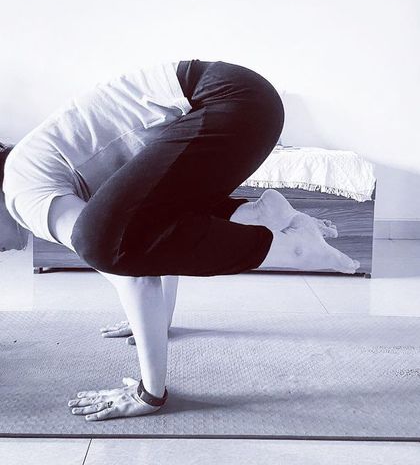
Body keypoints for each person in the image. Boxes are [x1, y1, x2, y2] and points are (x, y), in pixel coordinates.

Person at [1, 60, 359, 421]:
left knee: (99, 242)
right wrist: (158, 321)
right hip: (251, 104)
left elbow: (125, 266)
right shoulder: (36, 162)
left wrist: (149, 393)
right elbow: (150, 244)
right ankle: (262, 214)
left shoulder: (20, 189)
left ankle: (291, 249)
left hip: (225, 103)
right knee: (133, 228)